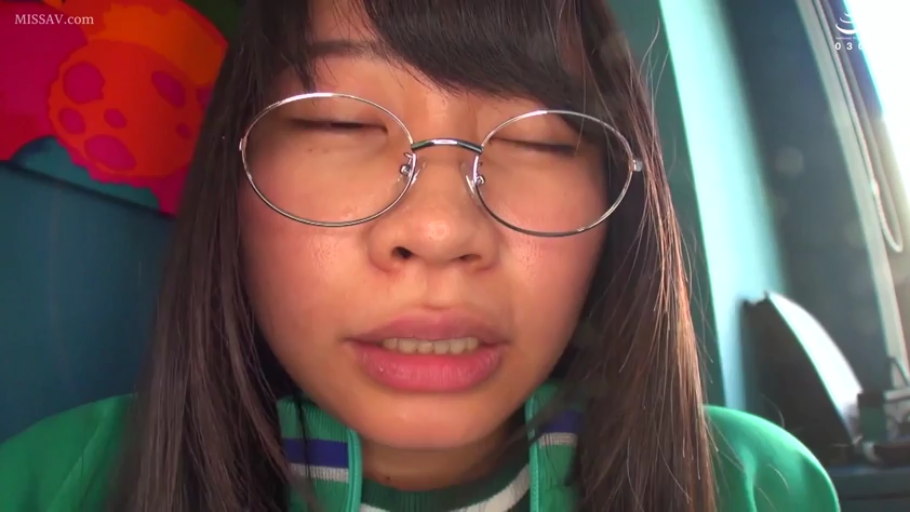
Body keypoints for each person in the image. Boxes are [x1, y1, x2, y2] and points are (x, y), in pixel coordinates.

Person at [0, 0, 841, 510]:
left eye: (542, 138)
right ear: (234, 183)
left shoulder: (757, 488)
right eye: (339, 121)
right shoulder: (50, 482)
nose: (439, 229)